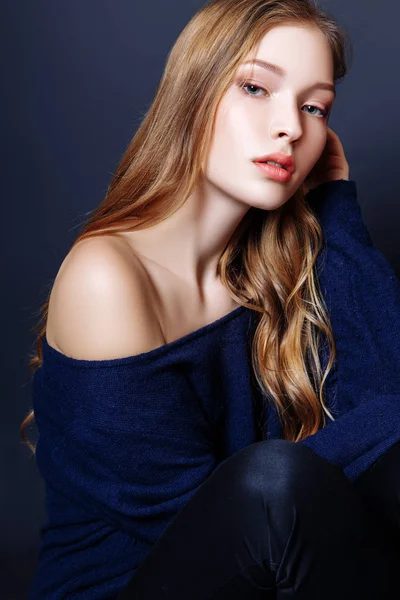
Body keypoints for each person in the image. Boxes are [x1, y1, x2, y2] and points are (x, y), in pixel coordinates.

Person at [22, 0, 400, 597]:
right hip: (131, 587)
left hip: (281, 575)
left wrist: (338, 209)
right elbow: (219, 521)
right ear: (193, 95)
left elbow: (383, 413)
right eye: (256, 87)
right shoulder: (108, 278)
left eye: (313, 106)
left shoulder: (273, 269)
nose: (293, 128)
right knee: (275, 482)